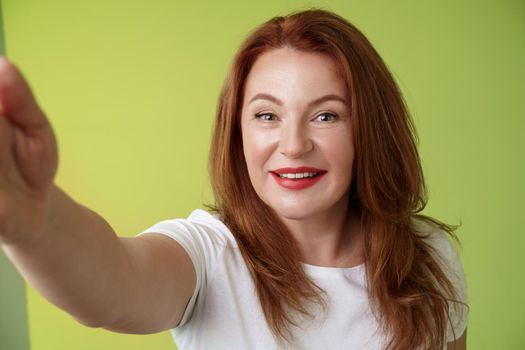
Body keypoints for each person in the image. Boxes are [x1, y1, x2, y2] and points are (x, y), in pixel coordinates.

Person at [0, 8, 467, 350]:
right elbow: (113, 283)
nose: (293, 144)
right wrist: (37, 224)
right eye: (267, 115)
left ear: (369, 129)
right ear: (238, 132)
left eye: (326, 116)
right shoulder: (208, 254)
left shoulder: (428, 258)